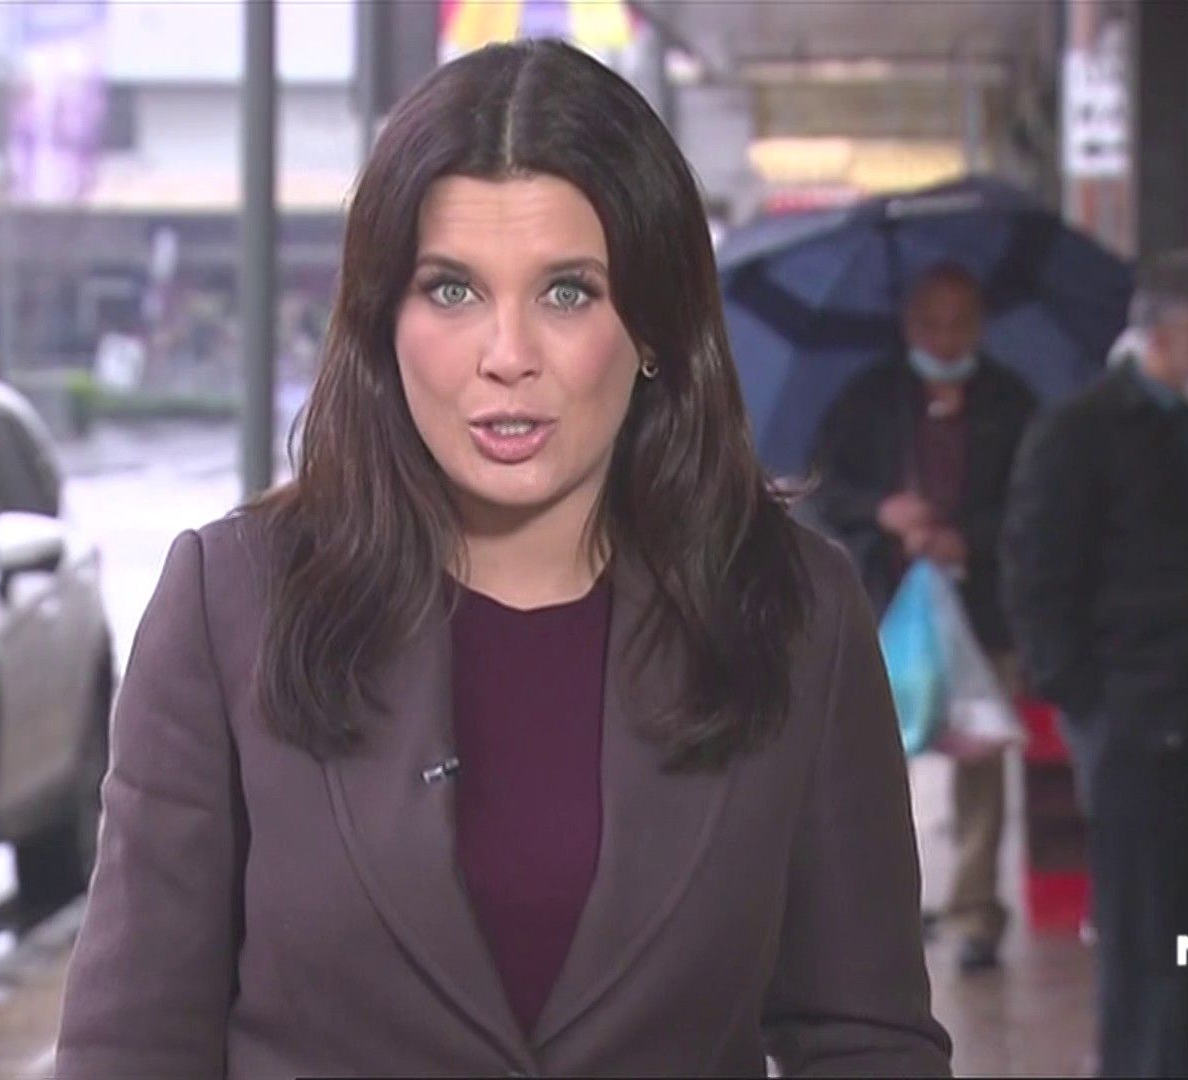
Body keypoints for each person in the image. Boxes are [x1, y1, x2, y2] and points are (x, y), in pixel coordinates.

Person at [54, 40, 951, 1079]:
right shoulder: (230, 607)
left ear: (652, 330)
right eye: (452, 291)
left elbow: (865, 1039)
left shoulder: (796, 613)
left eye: (568, 293)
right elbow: (131, 1049)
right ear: (383, 320)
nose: (507, 355)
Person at [1002, 251, 1188, 1077]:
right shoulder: (1079, 432)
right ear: (1158, 338)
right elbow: (1038, 583)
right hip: (1133, 729)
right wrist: (1093, 706)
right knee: (1143, 945)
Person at [810, 262, 1038, 974]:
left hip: (982, 610)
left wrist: (966, 537)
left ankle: (975, 912)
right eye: (931, 323)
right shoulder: (871, 397)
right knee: (874, 763)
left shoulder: (1011, 401)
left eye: (959, 322)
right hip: (886, 608)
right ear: (909, 325)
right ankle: (876, 910)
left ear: (980, 325)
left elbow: (1034, 501)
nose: (945, 337)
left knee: (981, 768)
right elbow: (823, 487)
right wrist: (883, 512)